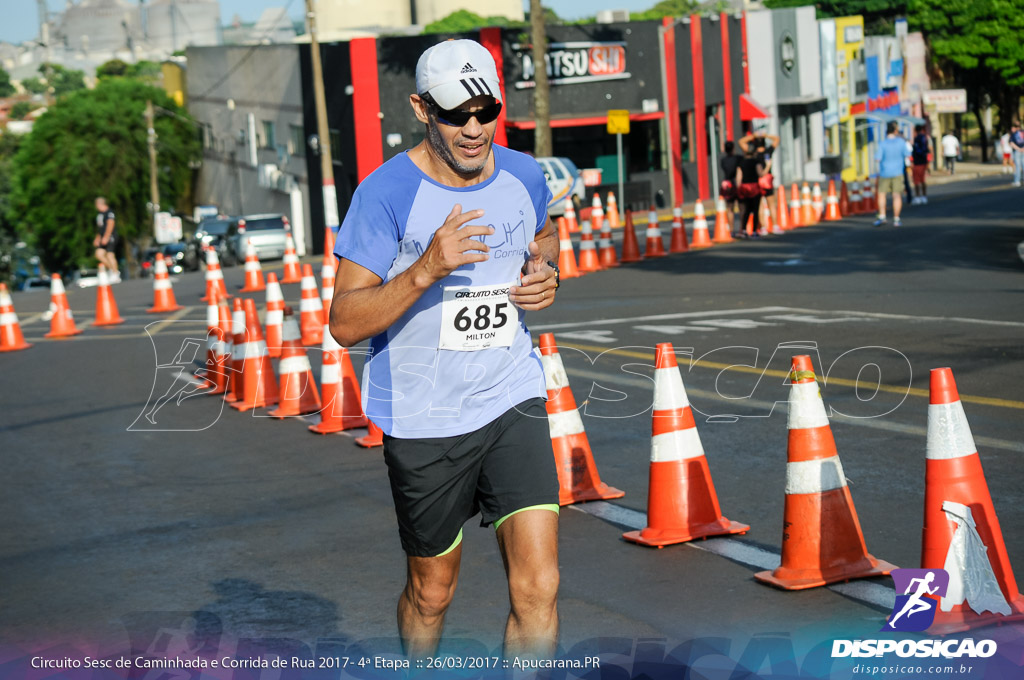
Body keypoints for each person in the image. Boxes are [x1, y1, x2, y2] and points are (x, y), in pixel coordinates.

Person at [328, 39, 561, 660]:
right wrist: (425, 268)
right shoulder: (385, 195)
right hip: (424, 416)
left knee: (539, 585)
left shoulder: (525, 173)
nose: (474, 128)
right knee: (433, 592)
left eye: (486, 111)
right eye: (456, 114)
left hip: (512, 392)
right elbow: (345, 322)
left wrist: (546, 274)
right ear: (421, 109)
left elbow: (543, 237)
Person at [874, 121, 911, 227]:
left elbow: (877, 159)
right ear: (895, 130)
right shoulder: (901, 142)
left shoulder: (882, 143)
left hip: (884, 172)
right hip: (898, 173)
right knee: (897, 196)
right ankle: (896, 219)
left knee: (882, 195)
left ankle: (882, 216)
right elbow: (907, 154)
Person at [732, 144, 765, 238]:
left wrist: (738, 189)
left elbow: (738, 177)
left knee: (746, 210)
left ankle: (743, 230)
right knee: (755, 210)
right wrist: (767, 167)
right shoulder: (756, 162)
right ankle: (754, 231)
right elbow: (760, 173)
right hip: (754, 187)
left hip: (744, 188)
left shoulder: (741, 163)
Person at [93, 197, 120, 280]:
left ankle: (115, 274)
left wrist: (106, 237)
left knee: (110, 255)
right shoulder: (100, 214)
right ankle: (112, 269)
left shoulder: (109, 212)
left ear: (99, 204)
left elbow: (110, 224)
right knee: (98, 254)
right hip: (102, 237)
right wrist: (98, 238)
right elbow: (101, 228)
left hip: (110, 236)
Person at [910, 124, 932, 204]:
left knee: (916, 181)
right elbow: (926, 150)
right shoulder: (924, 138)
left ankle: (918, 196)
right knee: (922, 180)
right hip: (923, 161)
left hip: (917, 162)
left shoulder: (917, 139)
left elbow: (916, 151)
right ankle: (924, 196)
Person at [719, 140, 740, 219]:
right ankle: (742, 228)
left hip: (727, 184)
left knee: (730, 208)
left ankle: (731, 230)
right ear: (733, 148)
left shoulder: (723, 160)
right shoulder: (737, 158)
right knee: (741, 207)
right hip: (736, 183)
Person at [1009, 121, 1024, 187]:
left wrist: (1018, 149)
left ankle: (1017, 181)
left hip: (1017, 151)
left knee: (1017, 166)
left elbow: (1011, 143)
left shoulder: (1014, 134)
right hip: (1023, 150)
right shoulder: (1023, 132)